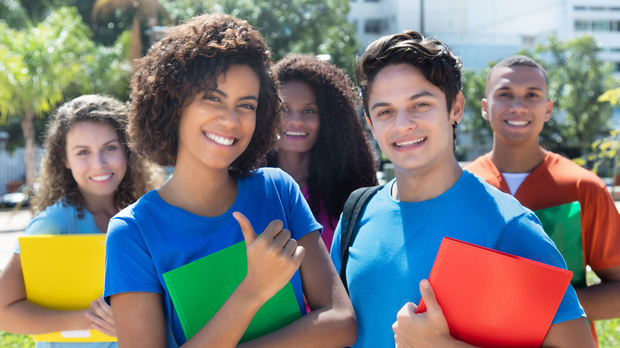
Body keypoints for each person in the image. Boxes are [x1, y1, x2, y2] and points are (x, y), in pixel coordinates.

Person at [103, 14, 357, 348]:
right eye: (213, 98)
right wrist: (252, 290)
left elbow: (341, 322)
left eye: (246, 105)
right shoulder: (133, 232)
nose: (231, 120)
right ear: (173, 103)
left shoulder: (278, 191)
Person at [330, 31, 594, 348]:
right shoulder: (355, 215)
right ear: (370, 124)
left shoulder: (508, 227)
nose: (402, 125)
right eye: (385, 111)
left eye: (420, 104)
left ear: (455, 108)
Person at [465, 55, 620, 347]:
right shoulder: (461, 188)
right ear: (485, 107)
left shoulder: (582, 186)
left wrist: (542, 306)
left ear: (548, 109)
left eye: (532, 95)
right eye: (505, 94)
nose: (518, 105)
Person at [0, 94, 162, 348]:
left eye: (110, 147)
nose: (99, 164)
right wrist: (89, 320)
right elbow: (3, 311)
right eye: (83, 152)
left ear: (127, 150)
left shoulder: (143, 215)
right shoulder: (53, 224)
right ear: (65, 159)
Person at [270, 55, 377, 252]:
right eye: (284, 109)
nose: (296, 120)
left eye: (309, 111)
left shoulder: (349, 193)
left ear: (329, 118)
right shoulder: (246, 186)